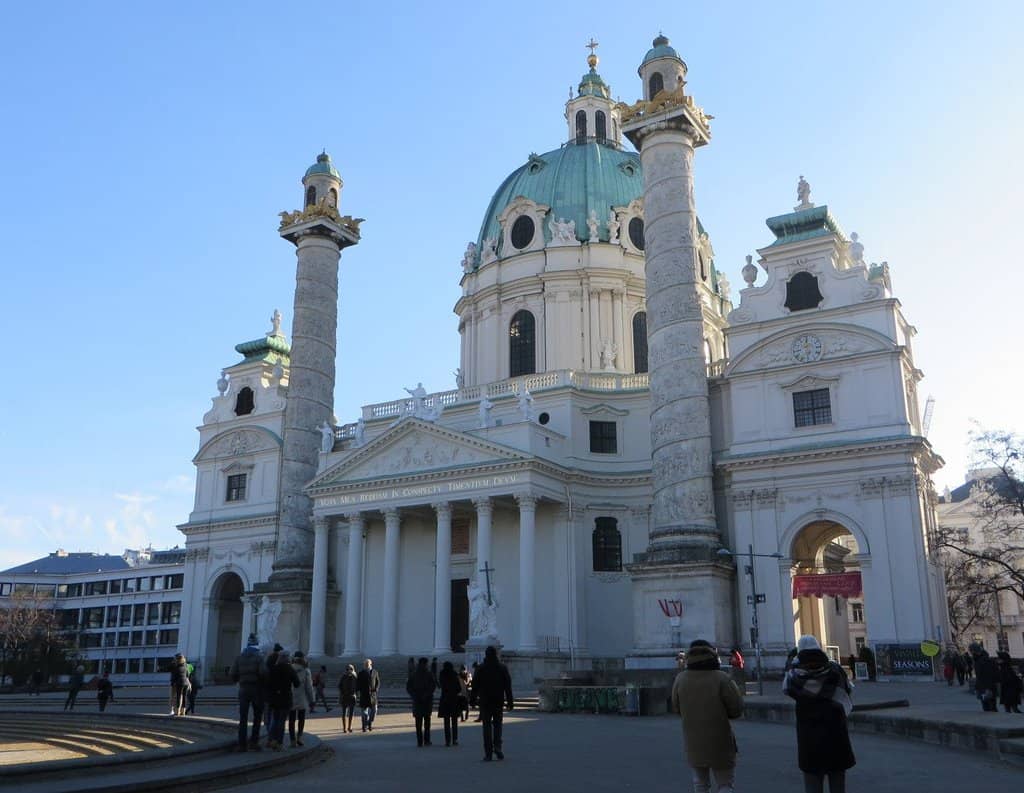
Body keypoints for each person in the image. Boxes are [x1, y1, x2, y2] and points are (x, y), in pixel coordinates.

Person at [784, 635, 856, 793]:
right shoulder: (835, 670)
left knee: (812, 786)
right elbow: (848, 690)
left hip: (809, 741)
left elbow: (786, 689)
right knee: (838, 786)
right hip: (837, 738)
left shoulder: (794, 675)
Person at [671, 639, 743, 793]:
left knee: (700, 784)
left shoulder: (681, 679)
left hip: (693, 740)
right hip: (721, 740)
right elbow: (736, 709)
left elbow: (676, 708)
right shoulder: (722, 678)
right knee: (725, 784)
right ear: (713, 654)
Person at [472, 645, 513, 761]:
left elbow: (475, 686)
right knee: (498, 725)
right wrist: (510, 701)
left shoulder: (481, 668)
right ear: (496, 654)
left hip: (485, 701)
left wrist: (472, 700)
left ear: (486, 655)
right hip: (498, 701)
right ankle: (498, 746)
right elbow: (507, 686)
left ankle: (488, 752)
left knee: (486, 726)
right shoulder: (502, 668)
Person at [230, 633, 267, 751]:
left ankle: (242, 744)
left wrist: (239, 680)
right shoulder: (259, 657)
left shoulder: (240, 657)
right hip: (256, 689)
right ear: (256, 644)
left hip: (243, 688)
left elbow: (232, 673)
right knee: (257, 717)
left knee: (243, 717)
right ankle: (254, 742)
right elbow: (263, 673)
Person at [266, 650, 300, 750]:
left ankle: (271, 740)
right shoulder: (289, 668)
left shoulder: (274, 668)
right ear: (287, 657)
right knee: (281, 721)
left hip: (274, 698)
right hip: (286, 698)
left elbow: (268, 683)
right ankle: (279, 743)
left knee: (274, 720)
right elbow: (297, 683)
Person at [408, 657, 437, 746]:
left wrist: (414, 695)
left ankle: (419, 741)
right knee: (427, 723)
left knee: (418, 723)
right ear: (425, 664)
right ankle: (427, 740)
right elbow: (433, 686)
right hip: (427, 701)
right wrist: (427, 695)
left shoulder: (413, 674)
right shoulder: (429, 674)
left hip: (417, 701)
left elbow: (409, 687)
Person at [288, 651, 316, 747]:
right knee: (301, 719)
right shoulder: (306, 670)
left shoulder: (289, 668)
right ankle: (299, 737)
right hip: (301, 698)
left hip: (290, 697)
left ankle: (292, 740)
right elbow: (309, 687)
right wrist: (312, 700)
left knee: (291, 720)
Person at [437, 660, 462, 746]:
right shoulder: (454, 674)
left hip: (445, 699)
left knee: (446, 721)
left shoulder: (442, 674)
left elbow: (441, 685)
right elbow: (459, 688)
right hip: (454, 699)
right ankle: (455, 739)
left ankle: (447, 740)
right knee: (454, 721)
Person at [970, 643, 998, 712]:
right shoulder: (977, 660)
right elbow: (979, 676)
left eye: (971, 651)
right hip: (982, 687)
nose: (971, 653)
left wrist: (988, 688)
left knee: (990, 707)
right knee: (986, 706)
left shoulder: (984, 660)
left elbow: (989, 675)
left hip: (987, 687)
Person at [357, 658, 381, 732]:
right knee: (364, 713)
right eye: (365, 664)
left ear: (371, 664)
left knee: (374, 710)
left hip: (373, 695)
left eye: (367, 664)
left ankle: (369, 722)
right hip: (364, 695)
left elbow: (378, 682)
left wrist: (376, 689)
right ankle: (364, 726)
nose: (366, 665)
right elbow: (358, 684)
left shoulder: (375, 672)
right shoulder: (361, 673)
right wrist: (358, 691)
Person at [338, 663, 358, 733]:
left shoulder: (355, 677)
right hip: (345, 696)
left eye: (351, 669)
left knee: (351, 713)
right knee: (344, 713)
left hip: (352, 696)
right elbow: (339, 686)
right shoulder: (343, 677)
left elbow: (357, 686)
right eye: (348, 669)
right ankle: (344, 728)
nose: (349, 670)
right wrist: (343, 692)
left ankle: (349, 727)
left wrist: (355, 693)